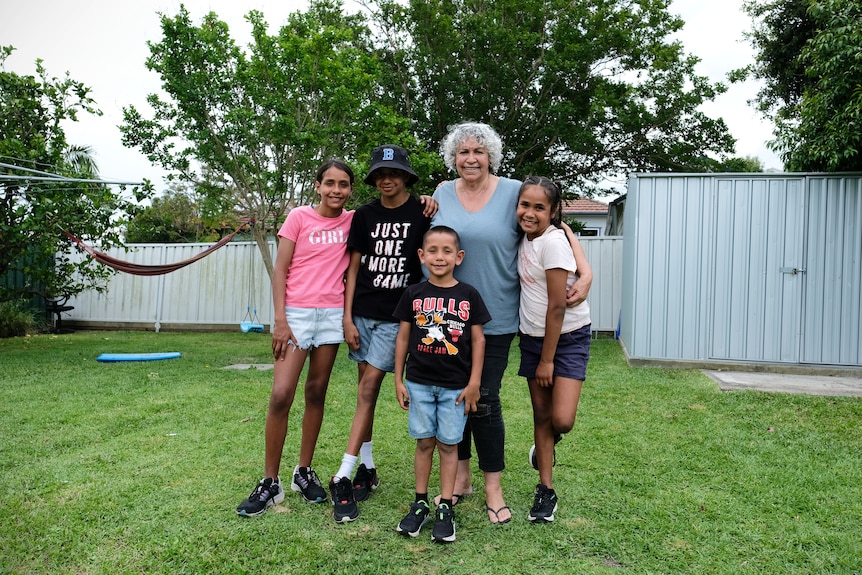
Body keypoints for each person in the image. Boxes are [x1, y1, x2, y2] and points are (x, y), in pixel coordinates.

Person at [430, 122, 592, 524]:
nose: (471, 158)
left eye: (479, 152)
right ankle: (462, 477)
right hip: (447, 316)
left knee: (484, 400)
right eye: (463, 152)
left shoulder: (513, 192)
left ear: (491, 157)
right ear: (454, 158)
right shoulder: (441, 194)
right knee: (455, 398)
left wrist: (585, 273)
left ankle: (494, 490)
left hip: (498, 317)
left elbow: (558, 227)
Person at [236, 159, 355, 517]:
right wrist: (280, 320)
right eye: (330, 183)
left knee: (316, 391)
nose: (336, 190)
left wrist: (432, 197)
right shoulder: (299, 217)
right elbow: (281, 269)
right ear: (317, 185)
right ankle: (269, 482)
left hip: (332, 315)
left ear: (350, 189)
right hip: (297, 315)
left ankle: (303, 471)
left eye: (344, 184)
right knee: (281, 394)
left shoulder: (352, 221)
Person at [328, 144, 434, 523]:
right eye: (379, 175)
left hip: (396, 317)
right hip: (362, 315)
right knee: (364, 395)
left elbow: (433, 256)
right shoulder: (364, 216)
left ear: (406, 176)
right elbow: (352, 269)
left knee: (369, 387)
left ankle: (343, 472)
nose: (386, 180)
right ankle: (368, 469)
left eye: (393, 173)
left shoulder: (422, 212)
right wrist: (346, 317)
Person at [392, 226, 490, 543]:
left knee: (449, 445)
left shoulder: (469, 295)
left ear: (459, 257)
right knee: (423, 443)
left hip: (455, 387)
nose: (439, 256)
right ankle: (420, 502)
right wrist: (398, 378)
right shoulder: (413, 294)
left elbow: (478, 340)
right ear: (421, 256)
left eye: (447, 251)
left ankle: (445, 505)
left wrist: (474, 382)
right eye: (432, 250)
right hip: (419, 383)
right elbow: (403, 337)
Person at [515, 176, 591, 523]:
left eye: (539, 207)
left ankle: (548, 442)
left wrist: (547, 360)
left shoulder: (554, 242)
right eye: (525, 205)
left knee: (562, 419)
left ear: (553, 211)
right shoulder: (524, 236)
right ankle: (545, 489)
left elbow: (558, 307)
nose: (529, 213)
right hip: (531, 338)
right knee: (541, 416)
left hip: (568, 338)